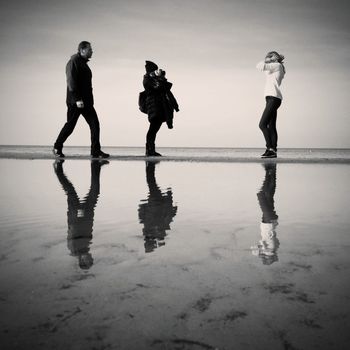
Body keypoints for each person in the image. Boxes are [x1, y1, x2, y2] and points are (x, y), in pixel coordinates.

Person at [53, 41, 109, 158]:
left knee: (94, 124)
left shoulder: (83, 63)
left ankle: (95, 151)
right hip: (76, 102)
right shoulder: (73, 62)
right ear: (82, 50)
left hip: (87, 102)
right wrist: (77, 99)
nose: (92, 51)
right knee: (70, 126)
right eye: (90, 49)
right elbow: (71, 82)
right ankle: (57, 147)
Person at [53, 159, 108, 269]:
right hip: (87, 217)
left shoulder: (74, 250)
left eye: (89, 260)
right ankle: (96, 167)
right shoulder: (85, 249)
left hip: (78, 217)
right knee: (95, 191)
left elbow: (73, 232)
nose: (91, 257)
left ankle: (58, 170)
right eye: (91, 259)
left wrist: (79, 215)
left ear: (83, 260)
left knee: (71, 191)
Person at [138, 161, 177, 252]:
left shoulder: (149, 229)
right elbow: (168, 219)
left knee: (152, 183)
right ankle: (150, 165)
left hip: (156, 203)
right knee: (152, 183)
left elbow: (142, 214)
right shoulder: (155, 231)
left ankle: (150, 165)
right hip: (157, 204)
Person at [142, 61, 179, 156]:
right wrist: (160, 79)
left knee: (154, 129)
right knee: (153, 129)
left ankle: (150, 150)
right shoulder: (148, 79)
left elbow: (165, 88)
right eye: (154, 70)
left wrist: (161, 78)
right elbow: (159, 88)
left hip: (157, 107)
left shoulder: (153, 79)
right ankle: (150, 150)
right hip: (154, 106)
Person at [256, 51, 286, 158]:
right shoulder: (274, 68)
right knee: (271, 126)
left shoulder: (277, 65)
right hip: (271, 98)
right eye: (269, 55)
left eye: (272, 55)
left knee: (262, 124)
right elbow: (264, 69)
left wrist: (266, 60)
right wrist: (268, 60)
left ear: (277, 57)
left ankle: (270, 148)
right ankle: (273, 151)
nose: (270, 57)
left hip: (273, 98)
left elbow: (259, 66)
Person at [251, 162, 280, 265]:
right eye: (266, 258)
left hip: (270, 221)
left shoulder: (275, 247)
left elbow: (264, 244)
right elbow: (258, 246)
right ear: (270, 256)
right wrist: (259, 252)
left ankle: (271, 171)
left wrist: (260, 251)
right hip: (268, 221)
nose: (264, 256)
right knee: (261, 195)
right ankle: (270, 171)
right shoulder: (270, 249)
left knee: (269, 194)